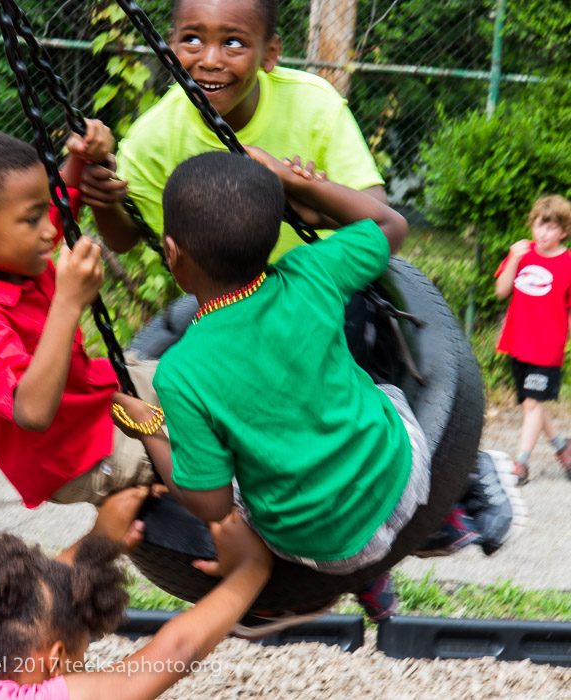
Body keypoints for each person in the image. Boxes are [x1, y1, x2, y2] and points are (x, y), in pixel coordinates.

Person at [109, 150, 527, 636]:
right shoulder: (312, 270)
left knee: (230, 472)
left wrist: (148, 428)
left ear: (172, 252)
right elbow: (390, 224)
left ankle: (280, 597)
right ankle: (452, 502)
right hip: (406, 476)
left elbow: (210, 505)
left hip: (327, 548)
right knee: (377, 386)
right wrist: (301, 185)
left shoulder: (180, 372)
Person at [0, 126, 161, 561]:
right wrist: (69, 301)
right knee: (192, 447)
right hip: (73, 453)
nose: (50, 231)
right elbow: (31, 411)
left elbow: (59, 198)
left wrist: (81, 159)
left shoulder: (3, 242)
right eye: (33, 219)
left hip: (95, 397)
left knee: (200, 384)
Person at [0, 487, 273, 700]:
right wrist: (250, 569)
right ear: (55, 661)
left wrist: (98, 542)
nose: (80, 671)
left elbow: (28, 594)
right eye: (79, 660)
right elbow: (172, 654)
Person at [84, 0, 387, 262]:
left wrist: (309, 196)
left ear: (270, 53)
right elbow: (124, 239)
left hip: (316, 298)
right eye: (192, 39)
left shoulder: (315, 105)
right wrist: (105, 201)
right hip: (224, 310)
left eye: (233, 43)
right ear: (170, 47)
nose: (210, 61)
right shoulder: (151, 139)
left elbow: (378, 216)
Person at [494, 194, 571, 485]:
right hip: (518, 342)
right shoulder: (523, 255)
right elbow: (501, 290)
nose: (542, 233)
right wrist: (513, 257)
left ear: (563, 231)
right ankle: (563, 448)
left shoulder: (568, 264)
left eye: (551, 227)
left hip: (547, 347)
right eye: (539, 225)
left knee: (531, 405)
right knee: (532, 403)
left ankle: (521, 465)